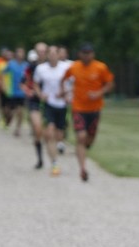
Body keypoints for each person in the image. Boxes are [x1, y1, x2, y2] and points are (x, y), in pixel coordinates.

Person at [59, 43, 114, 182]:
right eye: (84, 53)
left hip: (95, 109)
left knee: (90, 138)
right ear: (79, 54)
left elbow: (110, 84)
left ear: (93, 54)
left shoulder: (100, 67)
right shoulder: (74, 67)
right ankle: (83, 169)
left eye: (89, 53)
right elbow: (63, 79)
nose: (86, 55)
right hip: (78, 108)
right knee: (81, 137)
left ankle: (85, 148)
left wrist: (98, 93)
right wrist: (64, 92)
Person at [33, 45, 70, 175]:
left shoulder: (66, 67)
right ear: (47, 55)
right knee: (49, 133)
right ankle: (54, 163)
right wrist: (40, 94)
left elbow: (73, 83)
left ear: (59, 55)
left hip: (62, 104)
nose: (53, 55)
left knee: (59, 134)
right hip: (48, 103)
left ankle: (60, 143)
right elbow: (35, 83)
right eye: (51, 53)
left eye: (56, 53)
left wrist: (65, 92)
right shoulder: (41, 69)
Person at [24, 44, 47, 169]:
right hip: (34, 101)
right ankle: (40, 158)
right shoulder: (31, 67)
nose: (42, 53)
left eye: (44, 51)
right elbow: (23, 83)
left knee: (50, 132)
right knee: (38, 129)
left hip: (50, 101)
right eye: (39, 51)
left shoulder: (52, 66)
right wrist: (29, 91)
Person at [0, 47, 29, 137]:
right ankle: (7, 120)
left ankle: (18, 129)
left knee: (20, 111)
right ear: (16, 54)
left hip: (22, 92)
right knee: (9, 111)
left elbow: (29, 77)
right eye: (19, 52)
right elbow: (3, 73)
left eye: (22, 53)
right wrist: (4, 84)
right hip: (11, 91)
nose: (20, 54)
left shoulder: (26, 65)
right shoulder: (11, 64)